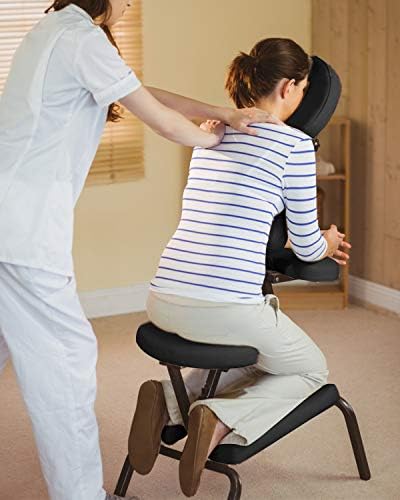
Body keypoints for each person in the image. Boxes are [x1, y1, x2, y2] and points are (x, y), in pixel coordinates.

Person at [0, 1, 279, 499]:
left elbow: (140, 93)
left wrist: (219, 113)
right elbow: (163, 121)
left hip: (11, 218)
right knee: (65, 362)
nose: (131, 4)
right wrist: (217, 142)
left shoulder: (58, 28)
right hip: (23, 228)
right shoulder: (81, 39)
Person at [129, 37, 351, 497]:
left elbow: (236, 210)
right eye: (303, 88)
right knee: (308, 369)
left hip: (162, 298)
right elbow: (308, 246)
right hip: (224, 307)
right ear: (288, 87)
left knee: (259, 352)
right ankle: (217, 420)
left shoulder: (212, 133)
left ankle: (169, 402)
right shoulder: (296, 145)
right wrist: (328, 241)